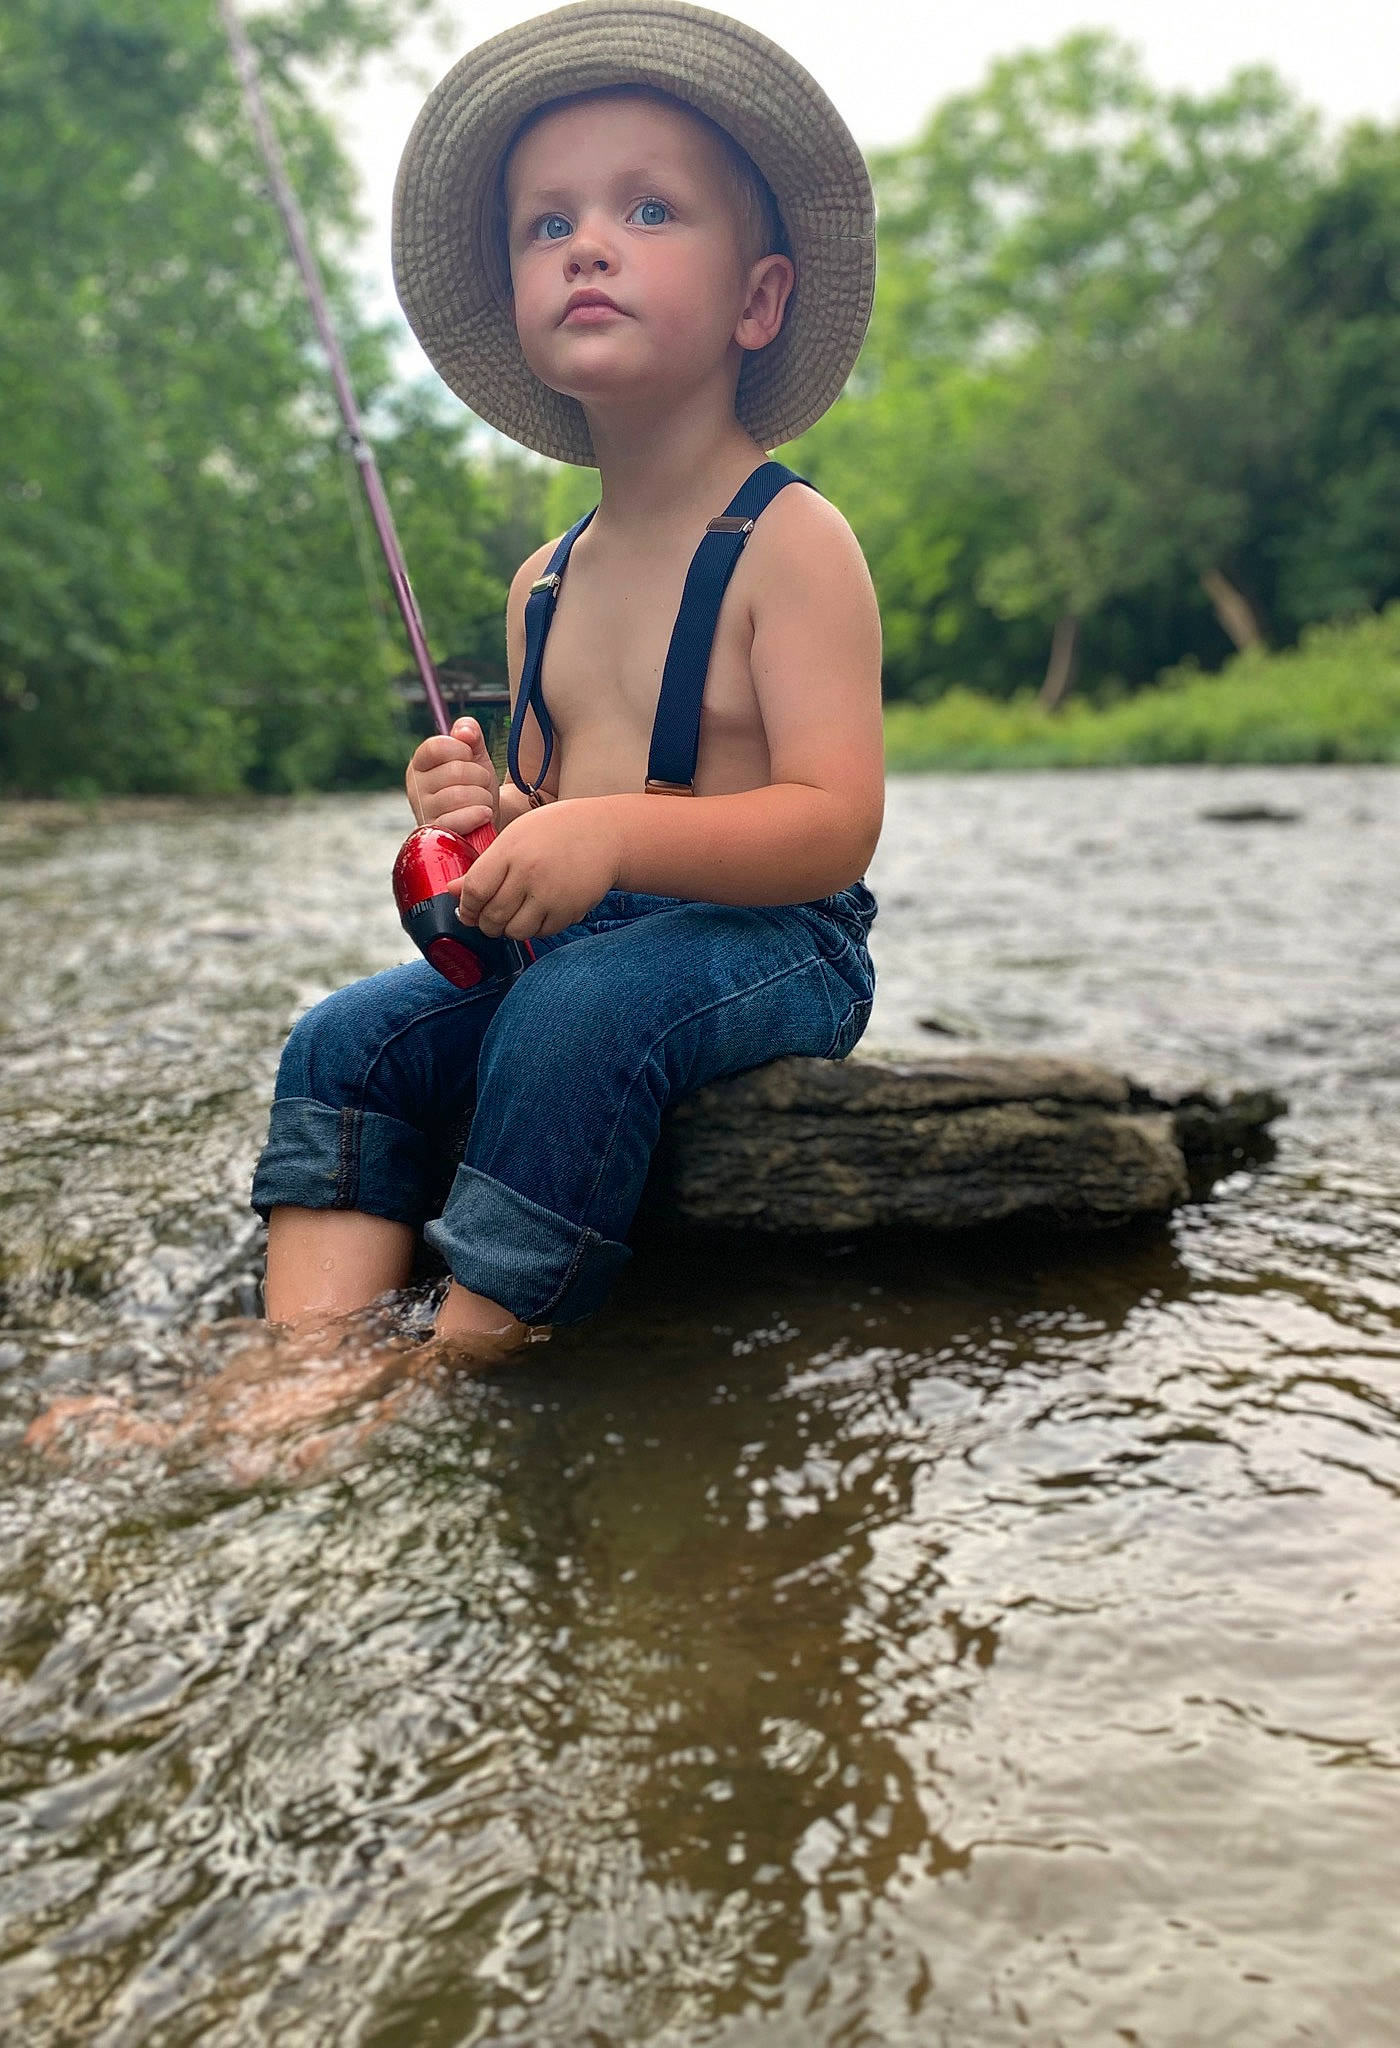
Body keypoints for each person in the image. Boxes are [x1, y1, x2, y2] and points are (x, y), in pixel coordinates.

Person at [251, 0, 885, 1357]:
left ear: (759, 300)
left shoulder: (791, 542)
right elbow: (551, 811)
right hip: (583, 944)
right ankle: (297, 1366)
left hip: (774, 942)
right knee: (345, 1038)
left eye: (649, 212)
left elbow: (837, 821)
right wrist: (488, 821)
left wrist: (610, 835)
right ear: (523, 301)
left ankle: (461, 1352)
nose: (589, 242)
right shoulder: (546, 576)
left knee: (570, 1011)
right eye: (550, 224)